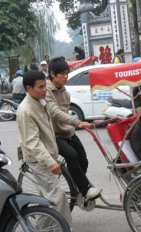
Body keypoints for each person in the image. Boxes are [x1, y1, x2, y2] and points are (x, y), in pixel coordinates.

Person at [16, 70, 72, 227]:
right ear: (29, 88)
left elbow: (56, 113)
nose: (44, 90)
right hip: (38, 160)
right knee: (58, 196)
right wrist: (50, 162)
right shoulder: (26, 110)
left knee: (48, 199)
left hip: (47, 155)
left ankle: (46, 228)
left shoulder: (41, 101)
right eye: (40, 87)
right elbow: (32, 142)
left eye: (44, 86)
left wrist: (75, 122)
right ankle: (64, 228)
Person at [45, 57, 102, 201]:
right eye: (62, 74)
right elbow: (55, 112)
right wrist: (77, 122)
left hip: (68, 132)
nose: (66, 76)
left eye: (67, 73)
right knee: (72, 156)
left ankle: (75, 185)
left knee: (83, 161)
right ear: (52, 74)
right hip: (54, 135)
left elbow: (65, 112)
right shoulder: (45, 91)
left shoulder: (65, 92)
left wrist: (74, 125)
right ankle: (85, 190)